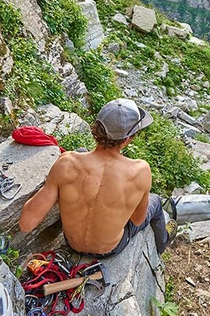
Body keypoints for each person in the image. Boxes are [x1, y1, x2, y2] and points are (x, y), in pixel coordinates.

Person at [19, 98, 178, 257]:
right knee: (156, 201)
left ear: (97, 128)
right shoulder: (141, 170)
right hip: (109, 249)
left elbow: (26, 224)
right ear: (128, 139)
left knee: (81, 152)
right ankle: (161, 244)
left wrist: (59, 184)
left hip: (72, 244)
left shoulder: (66, 163)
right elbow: (137, 220)